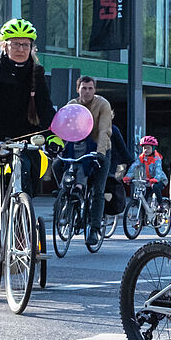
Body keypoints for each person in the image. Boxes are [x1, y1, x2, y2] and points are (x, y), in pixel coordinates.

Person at [0, 18, 61, 269]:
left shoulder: (36, 73)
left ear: (32, 48)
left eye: (26, 44)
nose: (21, 48)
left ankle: (20, 227)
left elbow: (45, 107)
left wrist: (53, 134)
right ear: (4, 46)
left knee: (26, 180)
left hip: (25, 138)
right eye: (15, 44)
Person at [66, 75, 113, 248]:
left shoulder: (103, 105)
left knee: (97, 191)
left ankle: (94, 228)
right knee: (58, 166)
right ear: (78, 89)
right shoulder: (72, 105)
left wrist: (100, 153)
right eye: (84, 88)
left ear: (95, 89)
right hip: (78, 148)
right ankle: (66, 196)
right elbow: (64, 129)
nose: (87, 91)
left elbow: (104, 130)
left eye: (90, 88)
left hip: (100, 149)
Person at [124, 135, 167, 208]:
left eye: (148, 148)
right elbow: (134, 166)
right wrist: (128, 177)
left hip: (160, 180)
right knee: (144, 200)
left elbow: (158, 170)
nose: (145, 150)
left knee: (155, 187)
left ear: (153, 148)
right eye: (144, 148)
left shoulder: (157, 158)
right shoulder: (142, 157)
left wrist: (156, 179)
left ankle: (161, 205)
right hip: (148, 181)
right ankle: (142, 218)